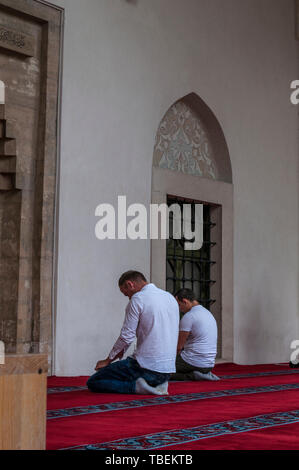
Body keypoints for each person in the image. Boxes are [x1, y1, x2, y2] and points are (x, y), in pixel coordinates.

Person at [87, 271, 180, 395]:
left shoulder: (138, 299)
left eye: (126, 294)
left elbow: (126, 337)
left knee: (94, 381)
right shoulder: (169, 297)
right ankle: (156, 385)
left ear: (130, 284)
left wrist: (108, 360)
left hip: (145, 368)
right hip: (167, 372)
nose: (129, 297)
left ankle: (137, 387)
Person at [170, 288, 220, 381]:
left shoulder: (189, 316)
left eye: (179, 305)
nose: (179, 309)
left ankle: (193, 375)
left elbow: (178, 347)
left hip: (193, 362)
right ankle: (202, 373)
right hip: (209, 364)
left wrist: (169, 361)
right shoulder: (207, 313)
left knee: (161, 371)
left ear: (185, 301)